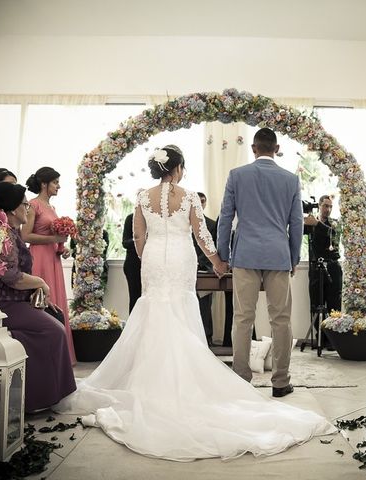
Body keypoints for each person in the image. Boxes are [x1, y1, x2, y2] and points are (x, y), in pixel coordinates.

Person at [54, 145, 335, 460]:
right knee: (181, 312)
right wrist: (217, 262)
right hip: (180, 258)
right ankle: (189, 381)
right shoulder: (188, 197)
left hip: (155, 261)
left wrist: (149, 257)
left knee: (152, 310)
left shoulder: (143, 197)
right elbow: (202, 235)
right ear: (177, 168)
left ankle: (148, 382)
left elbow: (138, 236)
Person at [0, 182, 76, 413]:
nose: (28, 208)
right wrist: (41, 283)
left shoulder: (11, 232)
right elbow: (10, 276)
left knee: (53, 320)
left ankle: (38, 393)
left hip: (8, 301)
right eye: (25, 204)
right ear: (14, 209)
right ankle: (36, 399)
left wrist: (37, 294)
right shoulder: (2, 234)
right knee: (53, 331)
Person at [217, 128, 303, 398]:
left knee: (242, 319)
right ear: (276, 148)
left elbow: (225, 218)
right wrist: (294, 257)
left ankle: (242, 380)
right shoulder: (291, 179)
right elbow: (297, 223)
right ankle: (280, 382)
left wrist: (223, 255)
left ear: (253, 148)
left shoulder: (237, 175)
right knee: (281, 320)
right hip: (278, 255)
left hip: (245, 255)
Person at [22, 167, 76, 364]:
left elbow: (53, 237)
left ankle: (59, 355)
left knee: (57, 300)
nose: (59, 186)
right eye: (55, 182)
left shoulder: (51, 208)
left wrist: (62, 247)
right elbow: (25, 235)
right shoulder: (33, 204)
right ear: (44, 184)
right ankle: (41, 356)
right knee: (43, 300)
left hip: (53, 257)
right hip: (39, 258)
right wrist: (54, 238)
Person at [304, 195, 342, 347]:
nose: (328, 209)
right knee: (316, 303)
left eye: (330, 206)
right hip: (315, 268)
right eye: (325, 206)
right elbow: (294, 230)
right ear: (319, 206)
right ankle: (320, 338)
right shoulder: (310, 222)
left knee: (334, 303)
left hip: (332, 267)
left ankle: (333, 339)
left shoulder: (335, 223)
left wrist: (317, 224)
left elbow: (334, 234)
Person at [194, 192, 217, 345]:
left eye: (203, 201)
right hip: (185, 266)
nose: (201, 204)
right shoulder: (185, 221)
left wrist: (201, 263)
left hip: (204, 269)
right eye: (199, 201)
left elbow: (212, 246)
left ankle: (206, 337)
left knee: (204, 306)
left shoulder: (212, 224)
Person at [121, 212, 142, 312]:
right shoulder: (131, 218)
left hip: (150, 264)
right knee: (135, 297)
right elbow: (125, 243)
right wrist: (139, 240)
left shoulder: (154, 217)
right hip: (133, 265)